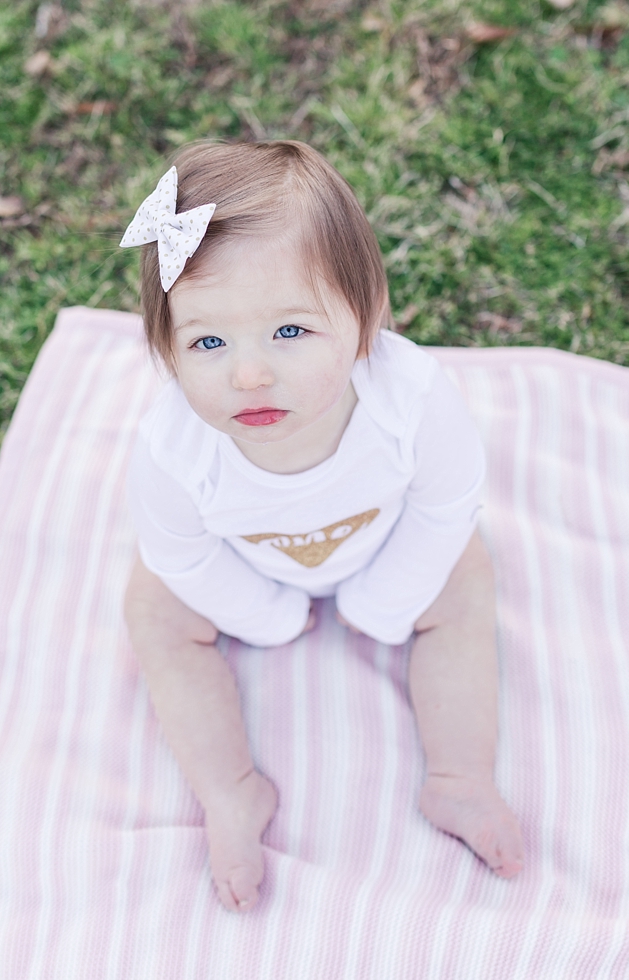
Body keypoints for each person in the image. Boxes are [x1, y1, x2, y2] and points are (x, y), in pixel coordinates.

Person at [121, 140, 524, 914]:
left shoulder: (409, 400)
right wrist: (261, 616)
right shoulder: (172, 450)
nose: (249, 374)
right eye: (208, 341)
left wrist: (389, 600)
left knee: (465, 575)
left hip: (387, 546)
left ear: (367, 318)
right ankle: (232, 792)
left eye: (290, 332)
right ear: (166, 349)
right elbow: (183, 555)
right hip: (241, 570)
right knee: (152, 604)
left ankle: (459, 778)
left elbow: (445, 504)